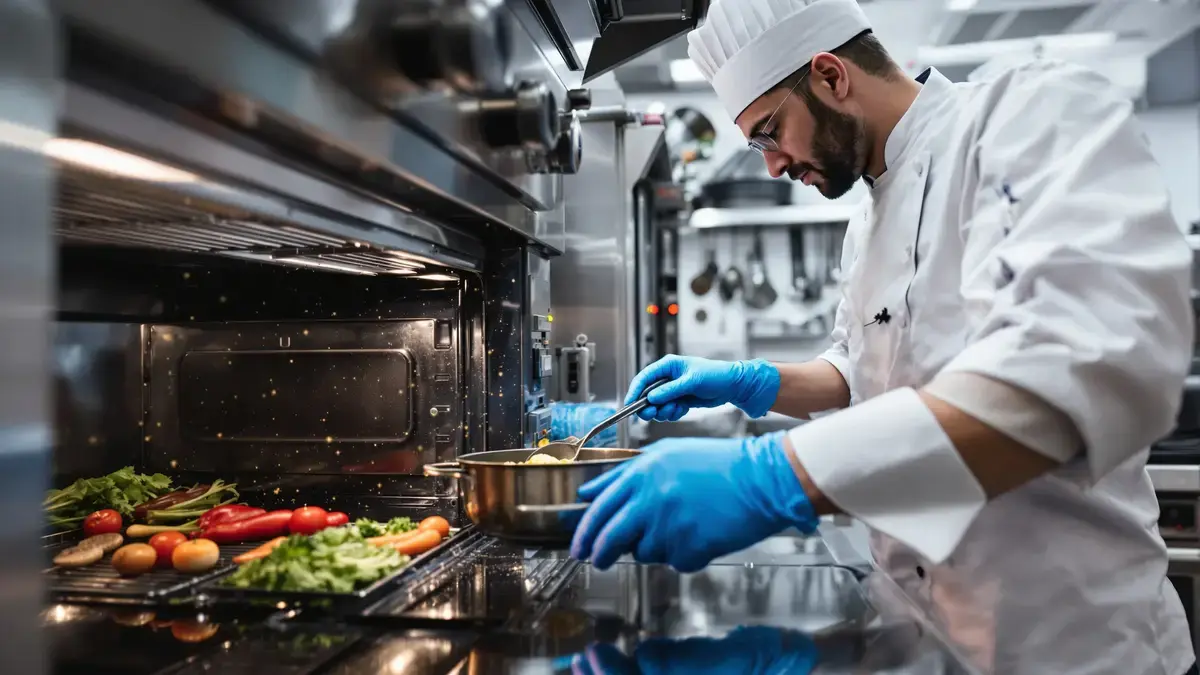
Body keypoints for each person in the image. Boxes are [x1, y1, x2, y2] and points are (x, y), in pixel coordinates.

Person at [567, 0, 1196, 673]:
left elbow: (1067, 370)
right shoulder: (864, 222)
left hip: (1075, 645)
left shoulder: (1034, 118)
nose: (772, 165)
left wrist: (772, 477)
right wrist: (752, 382)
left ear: (831, 75)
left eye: (769, 132)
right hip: (920, 638)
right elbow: (861, 369)